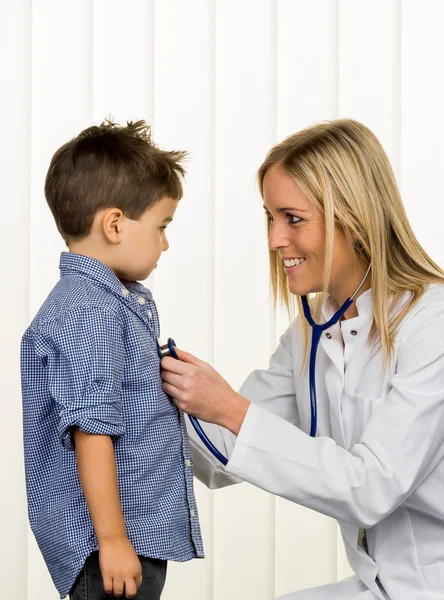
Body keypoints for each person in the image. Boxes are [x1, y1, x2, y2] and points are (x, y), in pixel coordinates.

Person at [160, 119, 444, 600]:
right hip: (381, 586)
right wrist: (129, 397)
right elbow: (219, 458)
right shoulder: (313, 330)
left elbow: (371, 488)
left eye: (293, 218)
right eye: (270, 217)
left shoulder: (430, 326)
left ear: (353, 219)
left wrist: (227, 406)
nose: (274, 240)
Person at [20, 121, 204, 600]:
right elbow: (92, 432)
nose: (165, 243)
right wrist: (114, 541)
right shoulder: (89, 313)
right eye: (162, 226)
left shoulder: (106, 304)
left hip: (127, 538)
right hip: (117, 544)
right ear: (115, 224)